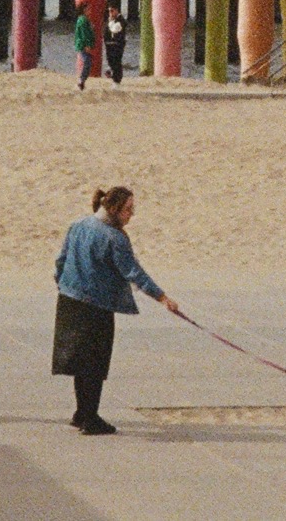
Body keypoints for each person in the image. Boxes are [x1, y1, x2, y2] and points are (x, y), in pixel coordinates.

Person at [52, 185, 180, 435]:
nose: (131, 215)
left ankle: (81, 413)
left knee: (80, 362)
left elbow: (61, 260)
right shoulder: (114, 237)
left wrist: (63, 284)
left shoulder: (78, 224)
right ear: (113, 209)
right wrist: (162, 297)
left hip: (69, 300)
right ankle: (90, 418)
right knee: (95, 364)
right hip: (95, 306)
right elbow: (132, 272)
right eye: (128, 210)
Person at [70, 4, 99, 90]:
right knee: (87, 61)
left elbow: (87, 31)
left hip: (82, 44)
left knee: (88, 61)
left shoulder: (84, 20)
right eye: (88, 9)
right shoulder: (82, 20)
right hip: (83, 45)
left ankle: (82, 81)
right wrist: (87, 45)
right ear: (84, 10)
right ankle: (81, 81)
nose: (90, 11)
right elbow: (84, 34)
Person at [100, 1, 127, 87]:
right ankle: (112, 75)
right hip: (109, 44)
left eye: (112, 11)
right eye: (109, 11)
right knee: (110, 61)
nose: (110, 13)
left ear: (117, 10)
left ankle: (116, 81)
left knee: (116, 62)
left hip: (117, 45)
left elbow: (115, 29)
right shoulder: (110, 20)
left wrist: (110, 22)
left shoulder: (121, 20)